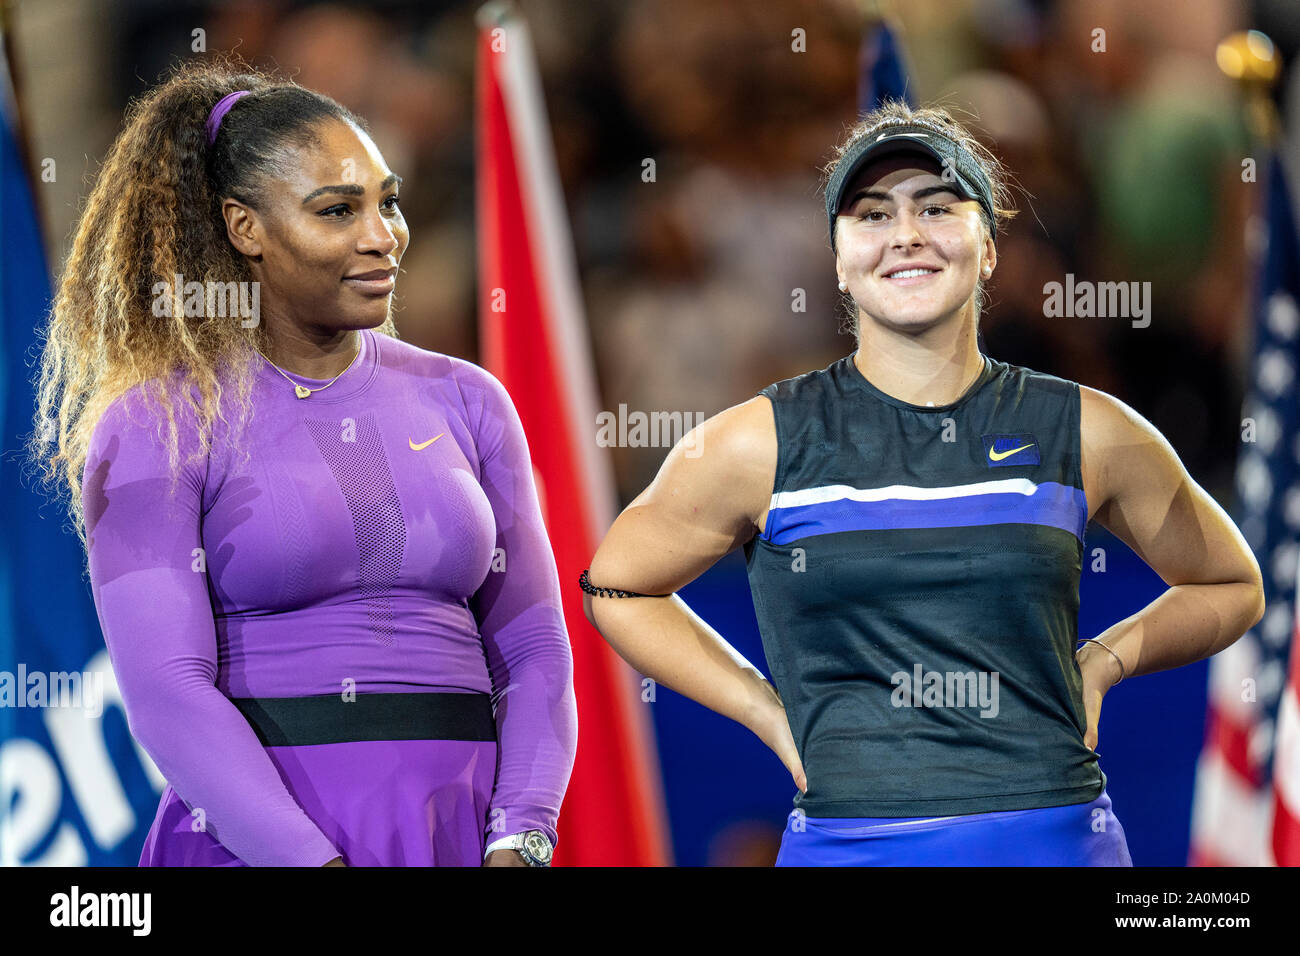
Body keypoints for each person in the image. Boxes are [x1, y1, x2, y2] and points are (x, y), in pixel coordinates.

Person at [581, 101, 1265, 866]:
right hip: (849, 843)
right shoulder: (757, 442)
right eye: (873, 215)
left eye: (937, 207)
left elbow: (1230, 583)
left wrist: (1105, 660)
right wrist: (760, 707)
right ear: (837, 260)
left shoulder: (1085, 428)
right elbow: (617, 587)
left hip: (1055, 841)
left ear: (991, 245)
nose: (906, 234)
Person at [28, 57, 576, 867]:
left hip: (465, 834)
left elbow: (536, 650)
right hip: (263, 847)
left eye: (386, 202)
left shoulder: (469, 398)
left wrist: (521, 834)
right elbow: (167, 693)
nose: (381, 235)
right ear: (245, 227)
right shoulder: (157, 423)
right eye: (337, 210)